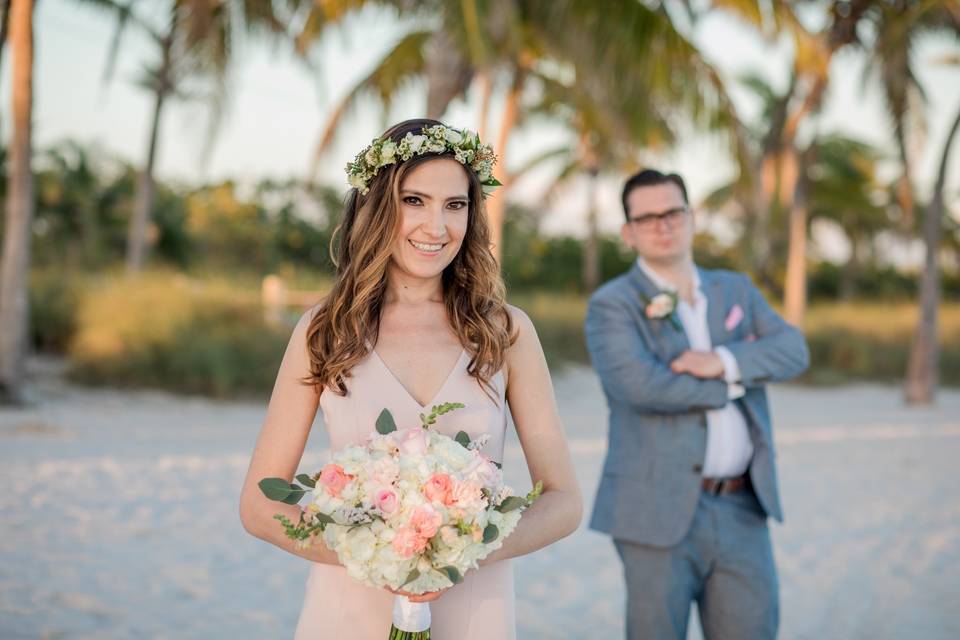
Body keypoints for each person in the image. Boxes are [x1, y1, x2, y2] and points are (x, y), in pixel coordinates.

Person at [239, 118, 582, 639]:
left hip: (474, 605)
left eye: (455, 205)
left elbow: (563, 501)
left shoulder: (505, 332)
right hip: (349, 606)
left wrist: (463, 549)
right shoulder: (325, 330)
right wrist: (377, 557)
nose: (436, 227)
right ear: (378, 207)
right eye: (414, 201)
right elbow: (260, 505)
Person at [585, 169, 810, 640]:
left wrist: (721, 361)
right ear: (628, 232)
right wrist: (734, 382)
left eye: (671, 212)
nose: (661, 225)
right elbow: (640, 386)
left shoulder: (736, 290)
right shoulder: (613, 304)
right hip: (653, 511)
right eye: (646, 218)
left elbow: (792, 350)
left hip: (743, 506)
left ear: (692, 217)